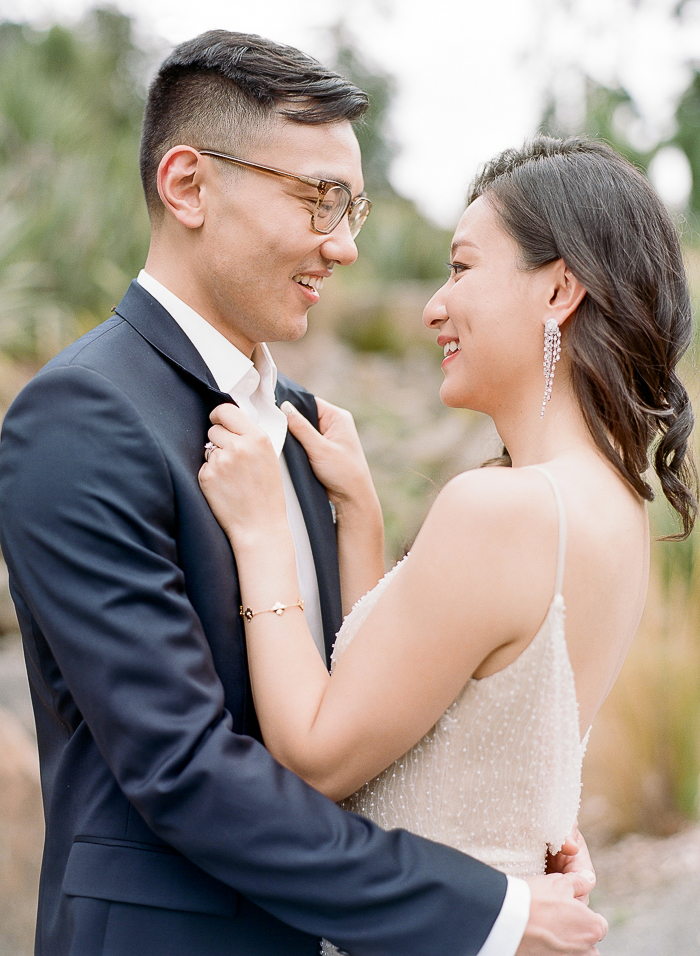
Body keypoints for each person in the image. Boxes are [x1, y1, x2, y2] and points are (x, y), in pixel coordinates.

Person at [0, 32, 606, 956]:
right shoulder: (80, 416)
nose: (348, 245)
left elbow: (352, 709)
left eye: (352, 204)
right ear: (188, 185)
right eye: (319, 200)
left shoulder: (309, 426)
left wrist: (519, 835)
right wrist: (489, 911)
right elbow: (183, 768)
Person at [197, 136, 699, 953]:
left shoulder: (501, 511)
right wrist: (361, 515)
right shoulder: (612, 504)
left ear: (559, 290)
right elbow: (419, 705)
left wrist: (259, 532)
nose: (435, 304)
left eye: (462, 269)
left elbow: (323, 758)